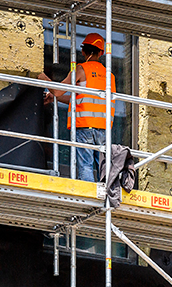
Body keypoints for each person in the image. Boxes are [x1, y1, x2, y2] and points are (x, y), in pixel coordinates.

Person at [38, 32, 115, 183]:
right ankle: (106, 194)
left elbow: (58, 90)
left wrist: (44, 79)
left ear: (83, 51)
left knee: (85, 165)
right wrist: (55, 98)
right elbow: (81, 99)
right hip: (104, 129)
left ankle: (89, 194)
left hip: (85, 126)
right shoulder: (110, 76)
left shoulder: (81, 69)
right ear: (101, 53)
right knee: (103, 166)